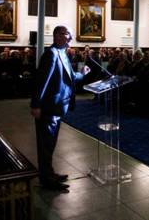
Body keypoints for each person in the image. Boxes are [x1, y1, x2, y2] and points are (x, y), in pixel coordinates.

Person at [30, 25, 90, 192]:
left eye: (69, 35)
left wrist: (82, 74)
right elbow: (42, 81)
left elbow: (71, 76)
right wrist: (35, 105)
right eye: (67, 34)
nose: (70, 38)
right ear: (57, 36)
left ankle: (49, 173)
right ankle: (47, 179)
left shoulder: (62, 53)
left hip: (58, 108)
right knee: (45, 144)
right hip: (49, 107)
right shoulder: (50, 54)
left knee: (50, 144)